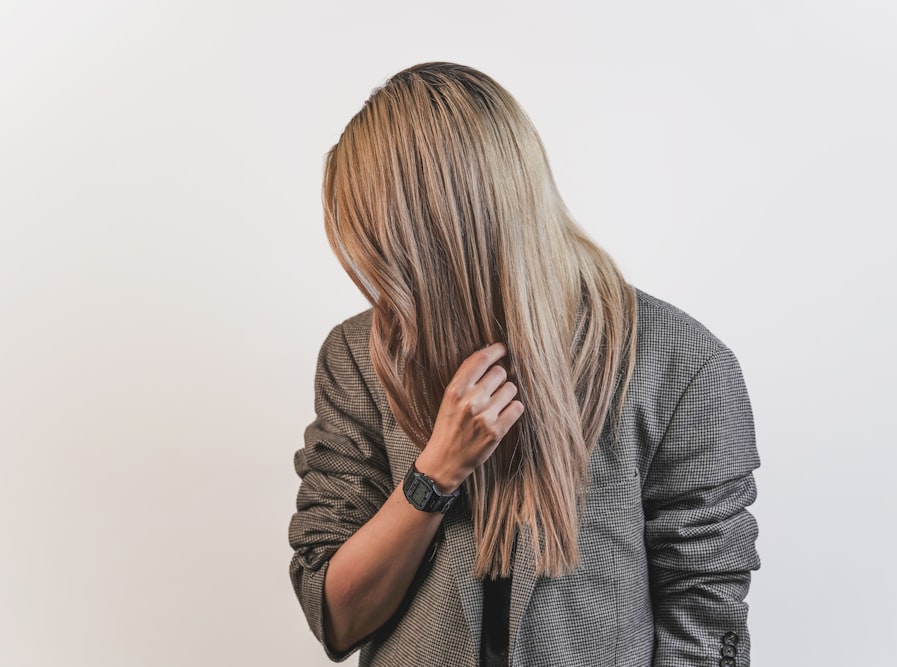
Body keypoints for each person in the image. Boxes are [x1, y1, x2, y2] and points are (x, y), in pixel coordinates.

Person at [288, 61, 761, 667]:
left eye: (389, 244)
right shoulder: (361, 355)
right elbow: (336, 614)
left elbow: (704, 624)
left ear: (442, 227)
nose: (382, 277)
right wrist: (434, 474)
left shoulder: (681, 363)